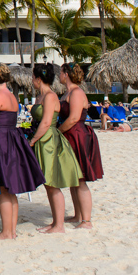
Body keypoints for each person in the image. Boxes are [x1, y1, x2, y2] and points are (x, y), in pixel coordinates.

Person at [0, 64, 45, 239]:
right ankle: (12, 230)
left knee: (3, 188)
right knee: (11, 189)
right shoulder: (12, 97)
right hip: (12, 138)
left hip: (0, 140)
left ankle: (7, 232)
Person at [29, 64, 82, 234]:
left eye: (33, 78)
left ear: (38, 79)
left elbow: (45, 122)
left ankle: (59, 225)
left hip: (49, 139)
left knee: (52, 182)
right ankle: (55, 222)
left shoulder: (50, 96)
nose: (32, 81)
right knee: (47, 183)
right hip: (42, 138)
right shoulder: (40, 96)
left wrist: (33, 140)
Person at [58, 62, 104, 229]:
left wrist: (58, 132)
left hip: (77, 135)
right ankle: (78, 214)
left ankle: (87, 220)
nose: (59, 76)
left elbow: (74, 118)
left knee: (81, 178)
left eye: (61, 72)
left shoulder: (76, 92)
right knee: (73, 178)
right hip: (69, 135)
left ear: (66, 74)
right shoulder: (67, 93)